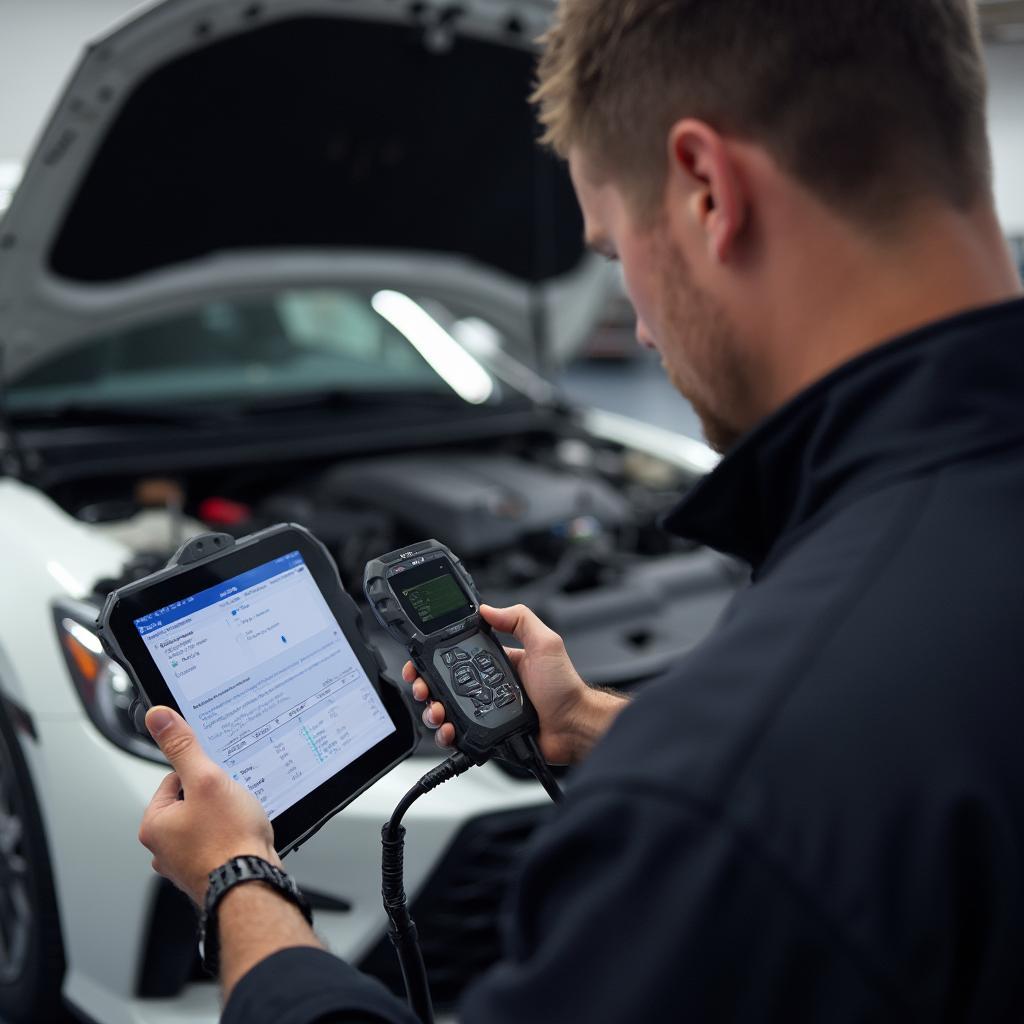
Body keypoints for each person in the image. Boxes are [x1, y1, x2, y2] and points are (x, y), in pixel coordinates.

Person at [138, 0, 1024, 1020]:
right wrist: (596, 723)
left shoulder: (733, 790)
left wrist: (237, 878)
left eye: (611, 254)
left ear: (705, 190)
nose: (640, 329)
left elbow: (789, 779)